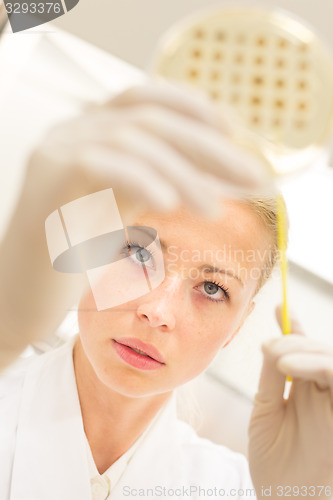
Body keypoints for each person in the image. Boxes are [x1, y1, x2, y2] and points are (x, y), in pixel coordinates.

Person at [0, 83, 333, 500]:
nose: (158, 311)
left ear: (237, 325)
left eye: (212, 287)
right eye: (138, 253)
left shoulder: (232, 488)